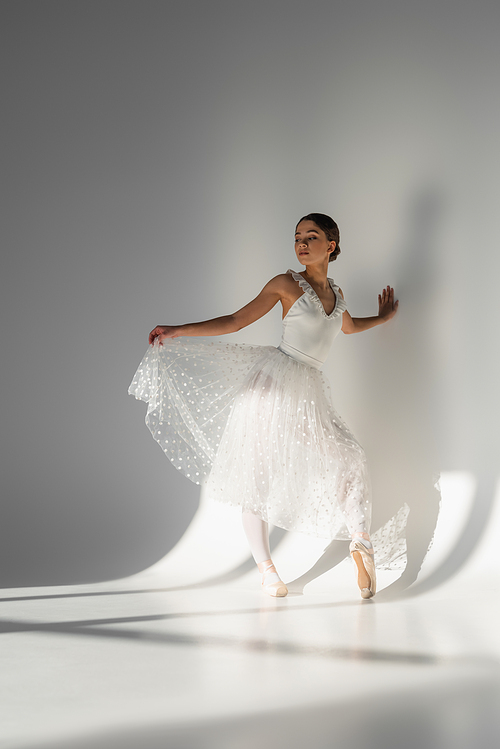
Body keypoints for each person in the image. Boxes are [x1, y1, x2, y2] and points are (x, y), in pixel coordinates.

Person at [129, 213, 399, 599]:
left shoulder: (336, 297)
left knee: (349, 457)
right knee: (256, 479)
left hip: (308, 392)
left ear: (331, 245)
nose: (302, 243)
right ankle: (268, 571)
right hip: (272, 385)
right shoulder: (286, 284)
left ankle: (360, 541)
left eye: (311, 236)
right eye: (297, 237)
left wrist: (384, 317)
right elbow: (237, 321)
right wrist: (177, 330)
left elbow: (349, 326)